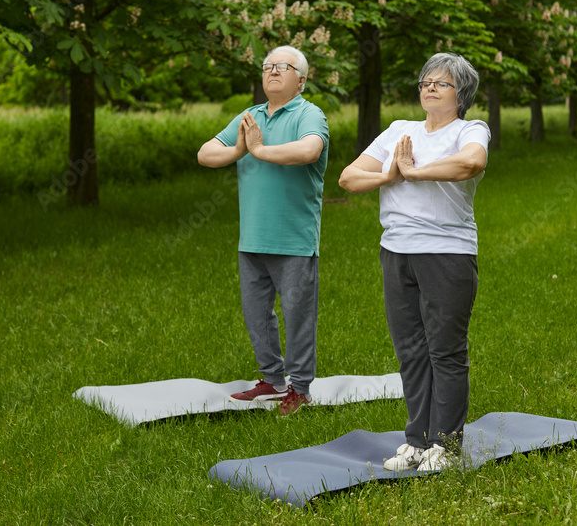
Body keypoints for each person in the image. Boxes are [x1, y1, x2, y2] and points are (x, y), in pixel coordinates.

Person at [339, 52, 489, 471]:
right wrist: (389, 176)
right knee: (410, 350)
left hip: (447, 253)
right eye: (424, 81)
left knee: (445, 350)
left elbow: (471, 163)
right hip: (396, 250)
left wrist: (412, 170)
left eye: (439, 83)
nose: (428, 87)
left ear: (460, 95)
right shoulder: (399, 130)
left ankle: (446, 444)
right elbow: (350, 177)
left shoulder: (470, 129)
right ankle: (417, 441)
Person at [197, 45, 329, 415]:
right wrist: (241, 148)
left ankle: (299, 388)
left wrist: (258, 150)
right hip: (252, 237)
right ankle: (272, 379)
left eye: (282, 67)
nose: (272, 71)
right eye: (267, 66)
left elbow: (309, 152)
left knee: (298, 315)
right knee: (257, 315)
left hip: (294, 239)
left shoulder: (309, 114)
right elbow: (206, 154)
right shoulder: (249, 117)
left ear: (300, 80)